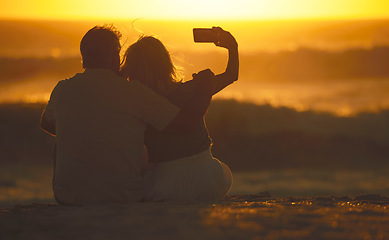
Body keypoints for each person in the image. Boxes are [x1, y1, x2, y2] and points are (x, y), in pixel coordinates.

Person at [40, 25, 215, 205]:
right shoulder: (134, 93)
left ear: (84, 59)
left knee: (61, 134)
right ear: (116, 57)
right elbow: (186, 124)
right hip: (122, 196)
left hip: (68, 197)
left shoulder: (62, 89)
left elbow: (46, 124)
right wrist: (205, 90)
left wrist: (88, 129)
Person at [120, 27, 239, 201]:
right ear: (166, 62)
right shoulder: (194, 88)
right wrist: (232, 47)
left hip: (166, 185)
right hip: (209, 180)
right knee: (222, 170)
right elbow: (231, 75)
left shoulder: (137, 101)